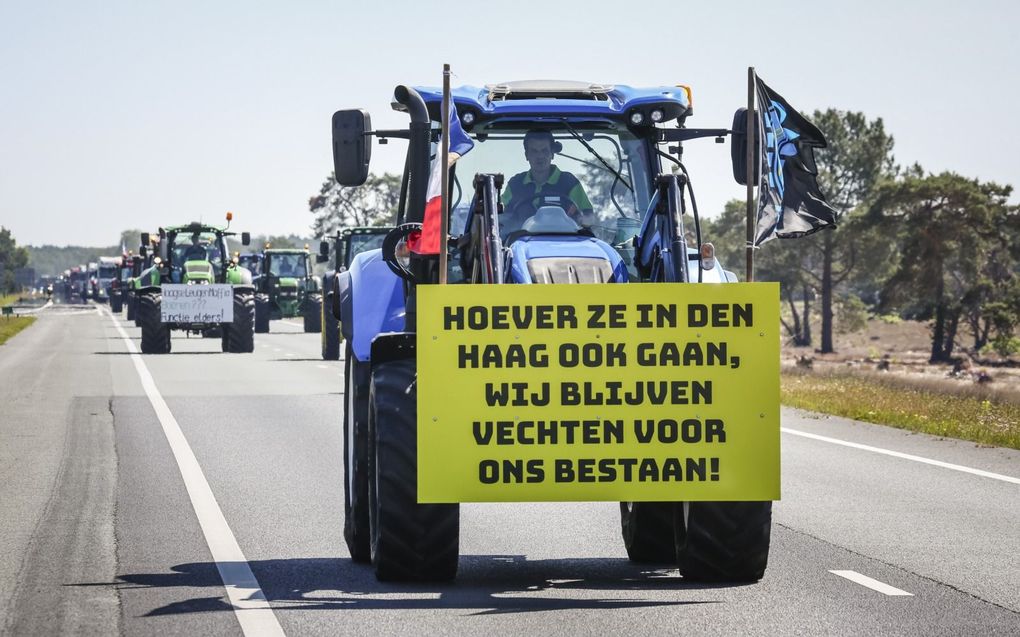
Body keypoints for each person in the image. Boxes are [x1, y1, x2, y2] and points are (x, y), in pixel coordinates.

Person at [500, 130, 595, 233]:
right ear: (526, 155)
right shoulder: (515, 184)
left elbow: (587, 217)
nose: (540, 156)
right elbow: (502, 218)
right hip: (521, 244)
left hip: (564, 243)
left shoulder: (569, 183)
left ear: (552, 154)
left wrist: (581, 221)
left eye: (544, 151)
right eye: (534, 151)